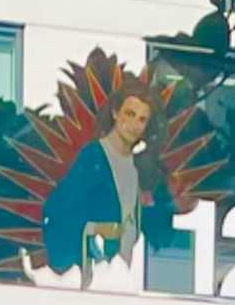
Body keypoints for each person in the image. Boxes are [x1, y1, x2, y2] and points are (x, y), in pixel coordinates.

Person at [43, 85, 160, 282]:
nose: (134, 124)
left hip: (120, 276)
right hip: (91, 277)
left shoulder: (136, 166)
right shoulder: (93, 157)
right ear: (115, 113)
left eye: (142, 119)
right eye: (130, 114)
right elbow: (58, 210)